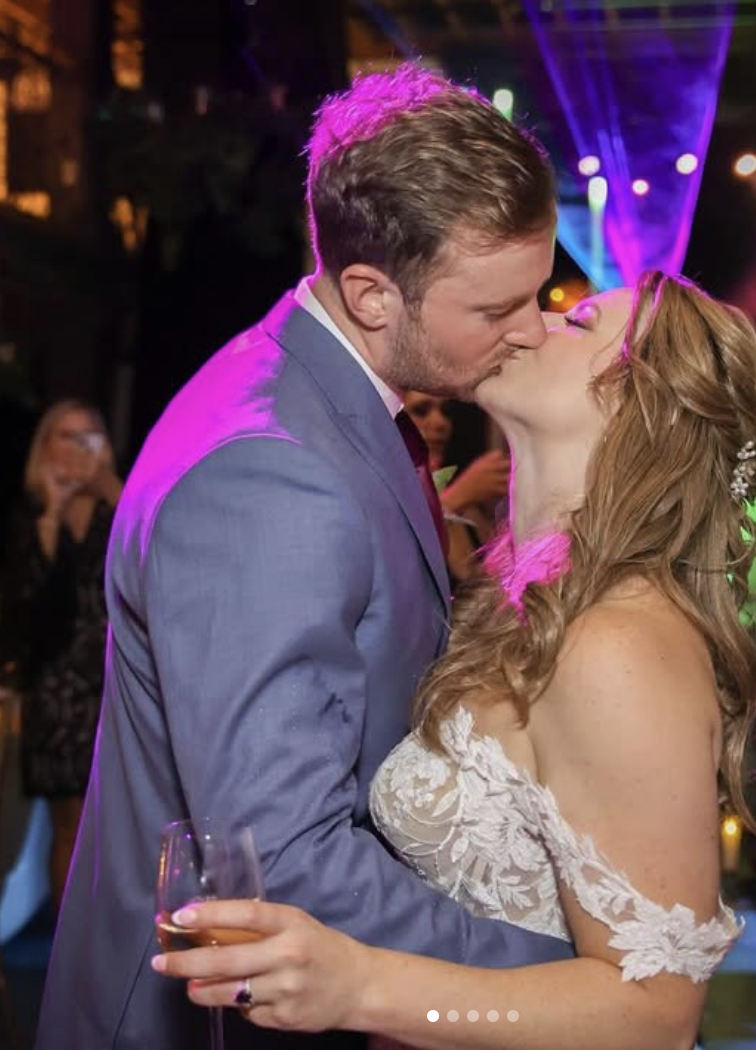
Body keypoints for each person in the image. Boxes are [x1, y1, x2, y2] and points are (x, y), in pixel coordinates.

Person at [36, 64, 574, 1050]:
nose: (532, 331)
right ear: (372, 293)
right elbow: (283, 858)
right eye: (496, 310)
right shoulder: (271, 478)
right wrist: (556, 979)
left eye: (538, 295)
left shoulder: (325, 399)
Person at [152, 270, 756, 1049]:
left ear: (640, 408)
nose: (531, 324)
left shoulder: (619, 644)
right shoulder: (518, 600)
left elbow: (654, 1015)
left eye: (577, 324)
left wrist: (368, 988)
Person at [0, 399, 121, 914]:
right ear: (45, 445)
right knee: (70, 824)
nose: (77, 449)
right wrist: (49, 523)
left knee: (115, 823)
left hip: (114, 684)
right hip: (57, 692)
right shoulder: (31, 512)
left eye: (90, 436)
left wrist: (114, 488)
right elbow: (26, 615)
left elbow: (152, 559)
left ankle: (109, 939)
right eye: (66, 436)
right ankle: (68, 947)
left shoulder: (122, 501)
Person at [401, 391, 510, 583]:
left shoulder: (468, 510)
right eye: (421, 411)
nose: (439, 422)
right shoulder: (379, 497)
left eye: (445, 411)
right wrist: (455, 498)